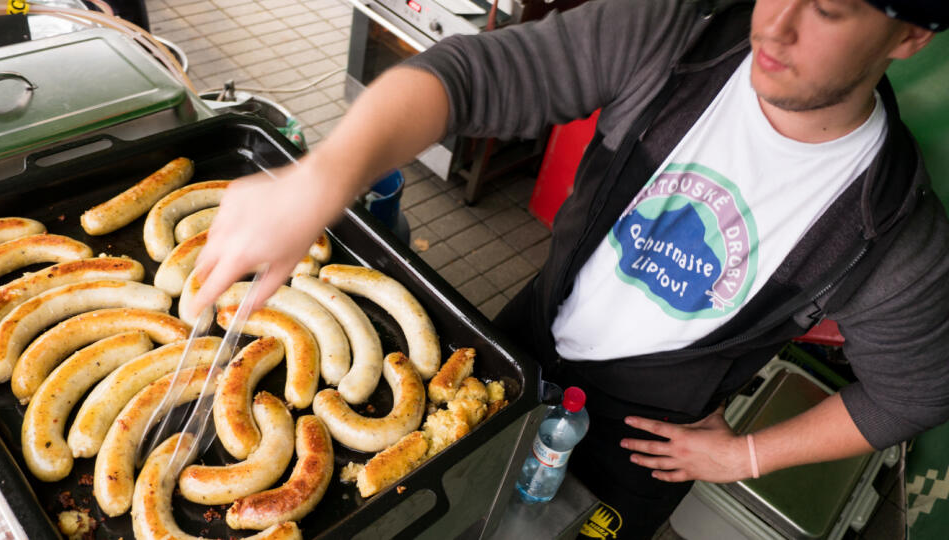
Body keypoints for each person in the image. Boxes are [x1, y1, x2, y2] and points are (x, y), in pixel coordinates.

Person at [189, 0, 949, 537]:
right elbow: (470, 78)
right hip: (518, 352)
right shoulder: (674, 37)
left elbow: (915, 395)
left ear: (910, 33)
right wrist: (324, 178)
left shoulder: (893, 234)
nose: (774, 22)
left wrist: (744, 453)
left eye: (829, 6)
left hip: (641, 454)